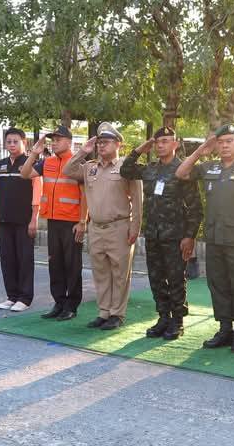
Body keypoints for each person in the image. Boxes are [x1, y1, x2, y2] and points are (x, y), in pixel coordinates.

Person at [176, 124, 234, 353]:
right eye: (221, 142)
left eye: (230, 141)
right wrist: (200, 150)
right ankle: (225, 329)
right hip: (214, 238)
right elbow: (181, 173)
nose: (225, 146)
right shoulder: (210, 167)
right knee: (217, 284)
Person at [120, 126, 203, 340]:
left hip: (175, 236)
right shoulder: (150, 169)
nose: (160, 145)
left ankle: (177, 320)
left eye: (165, 141)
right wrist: (142, 148)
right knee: (156, 279)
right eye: (157, 142)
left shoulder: (183, 170)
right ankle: (163, 317)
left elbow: (195, 208)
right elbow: (126, 170)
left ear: (175, 144)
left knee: (175, 279)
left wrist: (190, 236)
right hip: (153, 235)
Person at [62, 122, 143, 330]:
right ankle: (104, 312)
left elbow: (137, 199)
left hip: (119, 227)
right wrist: (83, 151)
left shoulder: (126, 167)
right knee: (100, 273)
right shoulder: (90, 167)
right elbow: (68, 170)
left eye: (106, 142)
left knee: (120, 273)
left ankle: (117, 314)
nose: (101, 146)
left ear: (118, 144)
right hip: (96, 228)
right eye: (99, 143)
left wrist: (135, 227)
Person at [21, 125, 86, 320]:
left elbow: (85, 196)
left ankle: (71, 306)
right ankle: (59, 303)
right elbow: (25, 174)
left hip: (71, 222)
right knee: (55, 263)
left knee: (72, 265)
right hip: (53, 220)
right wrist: (34, 153)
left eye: (58, 140)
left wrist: (82, 222)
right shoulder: (47, 162)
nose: (54, 143)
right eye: (53, 140)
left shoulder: (79, 163)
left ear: (69, 142)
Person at [0, 128, 42, 312]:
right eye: (9, 142)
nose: (12, 145)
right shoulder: (1, 164)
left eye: (16, 141)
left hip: (24, 219)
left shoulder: (31, 164)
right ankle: (11, 296)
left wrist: (34, 218)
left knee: (24, 259)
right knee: (7, 259)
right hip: (5, 218)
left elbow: (37, 192)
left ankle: (25, 298)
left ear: (24, 143)